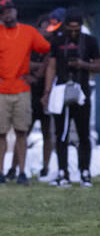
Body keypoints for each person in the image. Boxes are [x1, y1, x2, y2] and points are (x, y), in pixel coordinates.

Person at [42, 10, 100, 188]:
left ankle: (85, 172)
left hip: (81, 93)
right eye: (70, 30)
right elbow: (51, 67)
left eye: (76, 30)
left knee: (84, 134)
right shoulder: (57, 40)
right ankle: (63, 172)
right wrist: (46, 92)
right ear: (65, 27)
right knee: (61, 133)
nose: (73, 33)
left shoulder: (89, 41)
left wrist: (82, 64)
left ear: (81, 27)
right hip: (61, 91)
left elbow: (98, 66)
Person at [0, 0, 52, 185]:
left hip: (22, 89)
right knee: (1, 134)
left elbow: (47, 50)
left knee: (22, 132)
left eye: (10, 10)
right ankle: (2, 173)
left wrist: (37, 74)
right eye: (3, 11)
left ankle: (22, 172)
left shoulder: (28, 32)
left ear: (16, 12)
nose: (7, 14)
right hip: (2, 90)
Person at [28, 14, 56, 180]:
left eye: (49, 26)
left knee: (47, 133)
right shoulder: (30, 45)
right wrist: (40, 67)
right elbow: (23, 63)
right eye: (44, 26)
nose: (46, 29)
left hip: (47, 95)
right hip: (31, 93)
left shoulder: (53, 47)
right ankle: (16, 168)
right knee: (23, 132)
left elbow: (53, 68)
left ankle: (46, 167)